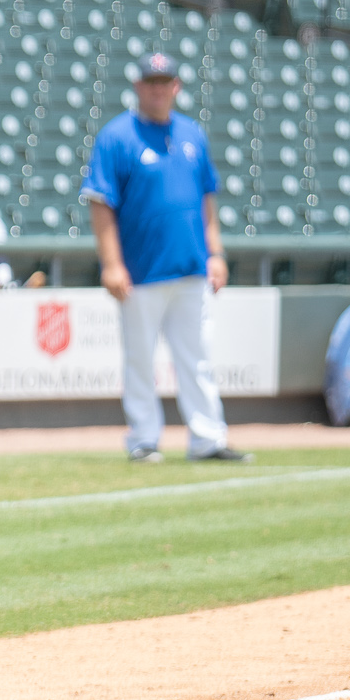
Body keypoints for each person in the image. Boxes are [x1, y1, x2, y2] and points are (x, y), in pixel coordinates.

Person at [83, 52, 250, 464]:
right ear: (138, 86)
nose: (158, 89)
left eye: (165, 81)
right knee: (140, 358)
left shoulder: (191, 134)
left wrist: (216, 253)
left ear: (176, 86)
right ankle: (143, 438)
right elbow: (101, 203)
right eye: (150, 81)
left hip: (191, 266)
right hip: (141, 270)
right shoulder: (117, 136)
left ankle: (208, 438)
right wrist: (111, 263)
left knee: (197, 358)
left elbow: (206, 197)